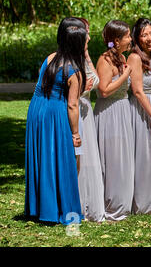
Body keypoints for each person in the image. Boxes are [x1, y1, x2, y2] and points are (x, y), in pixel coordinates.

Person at [25, 17, 87, 225]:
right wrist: (76, 133)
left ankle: (39, 207)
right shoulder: (74, 71)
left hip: (36, 108)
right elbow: (72, 105)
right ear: (77, 43)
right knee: (61, 157)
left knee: (43, 156)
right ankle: (59, 209)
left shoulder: (50, 57)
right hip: (55, 112)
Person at [94, 20, 134, 221]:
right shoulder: (105, 60)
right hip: (109, 112)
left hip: (122, 110)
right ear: (116, 41)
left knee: (121, 157)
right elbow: (103, 91)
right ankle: (110, 204)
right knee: (111, 157)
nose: (130, 39)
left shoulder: (121, 56)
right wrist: (125, 75)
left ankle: (121, 201)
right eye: (127, 36)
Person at [128, 18, 151, 214]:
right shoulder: (134, 58)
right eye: (144, 35)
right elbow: (137, 91)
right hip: (144, 110)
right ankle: (142, 202)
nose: (149, 38)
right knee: (144, 154)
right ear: (137, 39)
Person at [75, 17, 106, 222]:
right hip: (76, 109)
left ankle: (89, 202)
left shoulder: (84, 56)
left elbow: (96, 80)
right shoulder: (69, 59)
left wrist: (86, 54)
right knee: (78, 158)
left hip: (87, 108)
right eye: (87, 32)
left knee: (89, 157)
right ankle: (77, 202)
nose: (90, 36)